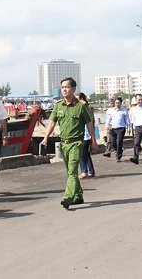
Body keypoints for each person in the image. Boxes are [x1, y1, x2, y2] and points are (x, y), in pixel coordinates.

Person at [41, 77, 97, 209]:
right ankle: (79, 195)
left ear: (73, 89)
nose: (64, 89)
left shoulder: (80, 107)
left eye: (67, 87)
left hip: (77, 142)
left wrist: (94, 140)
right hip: (64, 143)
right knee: (69, 172)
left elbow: (89, 124)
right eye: (63, 87)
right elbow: (52, 123)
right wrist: (45, 138)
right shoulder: (58, 106)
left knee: (72, 171)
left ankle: (68, 197)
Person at [105, 97, 130, 162]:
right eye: (116, 103)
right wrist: (107, 125)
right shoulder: (111, 111)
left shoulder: (124, 111)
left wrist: (128, 127)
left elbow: (127, 120)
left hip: (121, 128)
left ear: (121, 103)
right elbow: (109, 119)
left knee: (119, 142)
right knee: (113, 143)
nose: (117, 104)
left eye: (118, 103)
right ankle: (119, 150)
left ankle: (118, 156)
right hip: (113, 129)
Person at [78, 93, 96, 179]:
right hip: (87, 131)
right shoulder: (88, 107)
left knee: (81, 152)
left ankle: (84, 171)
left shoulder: (85, 107)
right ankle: (91, 171)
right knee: (86, 153)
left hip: (85, 132)